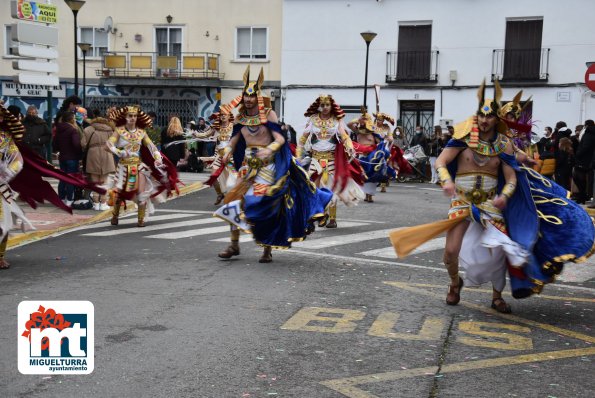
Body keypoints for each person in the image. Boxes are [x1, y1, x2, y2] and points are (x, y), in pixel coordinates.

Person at [389, 79, 595, 313]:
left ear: (497, 119)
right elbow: (443, 161)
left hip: (489, 203)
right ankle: (455, 283)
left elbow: (511, 178)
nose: (485, 120)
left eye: (489, 117)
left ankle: (497, 297)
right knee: (450, 252)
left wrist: (505, 196)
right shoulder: (462, 137)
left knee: (501, 250)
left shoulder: (504, 145)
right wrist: (446, 181)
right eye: (481, 116)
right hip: (462, 200)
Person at [215, 67, 332, 263]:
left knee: (263, 205)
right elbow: (233, 141)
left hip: (267, 169)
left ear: (258, 96)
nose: (248, 100)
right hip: (247, 168)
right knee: (232, 201)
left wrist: (270, 148)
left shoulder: (268, 114)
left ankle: (267, 248)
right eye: (246, 96)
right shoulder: (240, 118)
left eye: (252, 96)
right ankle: (234, 244)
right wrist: (226, 152)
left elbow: (280, 138)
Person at [0, 105, 103, 268]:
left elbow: (17, 159)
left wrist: (6, 174)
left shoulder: (6, 137)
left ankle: (0, 256)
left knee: (3, 222)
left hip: (1, 187)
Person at [107, 105, 180, 227]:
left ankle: (140, 220)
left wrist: (157, 158)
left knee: (142, 193)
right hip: (123, 167)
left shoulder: (142, 132)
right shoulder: (119, 131)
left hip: (137, 166)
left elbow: (152, 147)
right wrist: (120, 152)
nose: (133, 118)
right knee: (119, 194)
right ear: (125, 117)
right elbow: (108, 145)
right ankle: (115, 215)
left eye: (135, 116)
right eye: (130, 116)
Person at [297, 95, 364, 228]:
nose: (325, 107)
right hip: (315, 159)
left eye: (327, 105)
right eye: (322, 105)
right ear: (319, 106)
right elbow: (303, 138)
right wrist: (298, 154)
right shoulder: (312, 120)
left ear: (331, 106)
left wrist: (349, 147)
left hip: (331, 160)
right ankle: (320, 214)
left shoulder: (336, 120)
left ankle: (332, 218)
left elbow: (344, 136)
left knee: (331, 188)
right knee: (313, 187)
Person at [82, 112, 116, 210]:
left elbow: (83, 144)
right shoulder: (110, 130)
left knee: (95, 180)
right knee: (104, 180)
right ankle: (103, 202)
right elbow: (113, 144)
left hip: (92, 154)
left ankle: (96, 203)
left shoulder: (88, 129)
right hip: (107, 153)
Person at [204, 112, 237, 205]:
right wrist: (195, 134)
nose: (223, 116)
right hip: (219, 156)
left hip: (231, 157)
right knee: (213, 177)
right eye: (221, 114)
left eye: (225, 114)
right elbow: (206, 134)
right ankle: (220, 194)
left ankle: (233, 196)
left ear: (229, 116)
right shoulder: (217, 126)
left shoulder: (234, 126)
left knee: (234, 176)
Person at [52, 111, 82, 206]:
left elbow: (54, 144)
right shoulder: (73, 130)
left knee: (62, 178)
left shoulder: (59, 129)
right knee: (70, 179)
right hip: (72, 157)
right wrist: (80, 154)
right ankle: (69, 199)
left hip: (62, 157)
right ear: (71, 119)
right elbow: (76, 144)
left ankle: (61, 198)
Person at [573, 120, 595, 204]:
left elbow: (585, 146)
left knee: (578, 177)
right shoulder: (590, 133)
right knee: (582, 178)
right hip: (588, 159)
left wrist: (578, 153)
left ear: (586, 125)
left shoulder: (588, 133)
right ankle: (583, 196)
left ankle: (582, 196)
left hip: (583, 159)